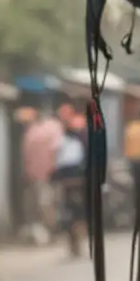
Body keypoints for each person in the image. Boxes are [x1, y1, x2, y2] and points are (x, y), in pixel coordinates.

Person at [20, 106, 64, 245]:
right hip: (41, 175)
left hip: (49, 175)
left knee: (46, 204)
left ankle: (53, 232)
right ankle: (50, 232)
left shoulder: (44, 129)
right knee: (43, 205)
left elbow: (55, 150)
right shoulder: (33, 132)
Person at [51, 104, 90, 257]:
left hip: (69, 183)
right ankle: (76, 242)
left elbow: (59, 164)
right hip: (77, 182)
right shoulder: (73, 143)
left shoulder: (63, 143)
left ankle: (75, 243)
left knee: (70, 212)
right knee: (76, 213)